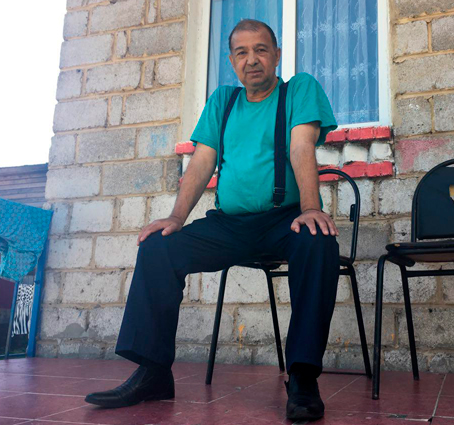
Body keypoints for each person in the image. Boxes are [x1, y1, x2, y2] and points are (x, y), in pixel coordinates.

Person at [84, 19, 339, 421]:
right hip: (228, 225)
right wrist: (176, 217)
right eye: (242, 52)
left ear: (276, 55)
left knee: (318, 241)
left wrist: (310, 207)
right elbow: (202, 161)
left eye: (261, 50)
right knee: (159, 247)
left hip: (284, 220)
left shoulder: (299, 90)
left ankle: (303, 377)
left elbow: (301, 146)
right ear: (232, 61)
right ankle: (153, 372)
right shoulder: (223, 100)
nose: (252, 60)